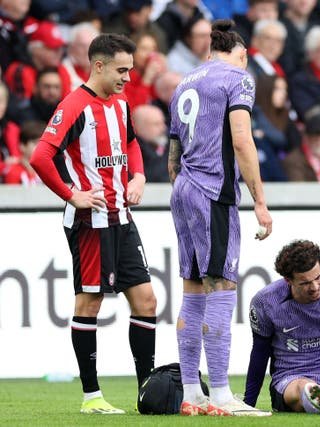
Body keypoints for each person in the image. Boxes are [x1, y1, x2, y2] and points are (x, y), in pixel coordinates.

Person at [29, 33, 157, 415]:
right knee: (90, 301)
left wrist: (138, 177)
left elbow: (132, 143)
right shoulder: (74, 105)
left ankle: (146, 392)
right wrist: (71, 194)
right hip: (90, 221)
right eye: (121, 70)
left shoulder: (119, 103)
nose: (127, 78)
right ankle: (91, 397)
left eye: (130, 70)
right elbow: (40, 157)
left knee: (147, 300)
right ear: (98, 65)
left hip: (122, 217)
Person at [167, 19, 273, 417]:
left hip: (183, 191)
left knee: (193, 288)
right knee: (221, 284)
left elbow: (173, 154)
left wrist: (184, 190)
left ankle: (192, 391)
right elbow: (242, 139)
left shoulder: (183, 82)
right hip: (214, 191)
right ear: (242, 54)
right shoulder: (237, 78)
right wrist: (259, 201)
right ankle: (223, 394)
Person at [244, 240, 320, 414]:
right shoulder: (265, 302)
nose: (315, 287)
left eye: (318, 277)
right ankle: (317, 398)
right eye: (305, 283)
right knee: (304, 388)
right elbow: (260, 352)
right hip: (290, 377)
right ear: (288, 280)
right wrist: (248, 404)